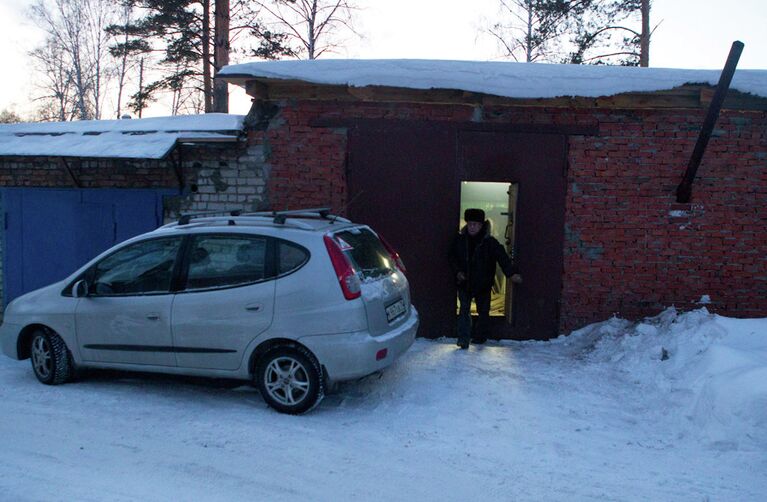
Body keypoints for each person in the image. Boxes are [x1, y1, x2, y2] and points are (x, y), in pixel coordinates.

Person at [449, 208, 521, 349]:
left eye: (475, 224)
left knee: (483, 311)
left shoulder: (490, 243)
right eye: (470, 224)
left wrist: (511, 274)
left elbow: (503, 258)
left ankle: (480, 337)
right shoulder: (460, 240)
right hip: (465, 282)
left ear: (481, 225)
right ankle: (463, 339)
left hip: (483, 283)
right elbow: (452, 257)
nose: (472, 227)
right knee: (464, 310)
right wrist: (457, 272)